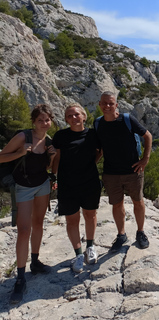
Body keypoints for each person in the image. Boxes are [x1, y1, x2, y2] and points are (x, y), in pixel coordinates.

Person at [0, 104, 56, 304]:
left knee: (39, 223)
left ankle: (35, 261)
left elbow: (46, 166)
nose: (44, 123)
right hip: (23, 187)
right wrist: (20, 153)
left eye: (47, 119)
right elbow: (0, 157)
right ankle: (20, 277)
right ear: (33, 121)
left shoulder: (49, 141)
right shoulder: (23, 137)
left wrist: (52, 156)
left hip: (42, 185)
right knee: (24, 230)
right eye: (40, 119)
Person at [95, 91, 152, 251]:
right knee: (117, 204)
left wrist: (145, 160)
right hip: (111, 172)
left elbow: (147, 136)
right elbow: (99, 149)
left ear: (116, 105)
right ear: (99, 104)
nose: (107, 106)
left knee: (138, 201)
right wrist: (92, 165)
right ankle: (121, 234)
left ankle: (140, 232)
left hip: (133, 170)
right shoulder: (98, 123)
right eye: (104, 103)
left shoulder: (127, 119)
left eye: (110, 103)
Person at [52, 104, 102, 273]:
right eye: (69, 116)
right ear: (66, 119)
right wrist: (53, 177)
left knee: (90, 214)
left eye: (76, 114)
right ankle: (78, 254)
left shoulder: (93, 134)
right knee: (72, 220)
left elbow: (99, 151)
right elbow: (56, 158)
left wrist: (90, 164)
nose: (73, 118)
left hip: (90, 182)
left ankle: (90, 246)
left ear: (83, 116)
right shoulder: (60, 136)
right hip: (67, 184)